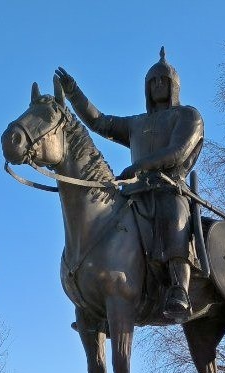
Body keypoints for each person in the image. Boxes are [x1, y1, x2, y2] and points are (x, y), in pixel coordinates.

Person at [55, 48, 204, 322]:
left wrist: (141, 166)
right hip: (136, 193)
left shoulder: (187, 116)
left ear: (174, 85)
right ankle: (104, 300)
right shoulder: (137, 123)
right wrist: (74, 93)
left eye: (163, 80)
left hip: (169, 188)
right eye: (153, 81)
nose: (158, 84)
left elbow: (178, 151)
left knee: (173, 215)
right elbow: (100, 122)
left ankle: (178, 288)